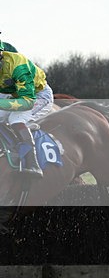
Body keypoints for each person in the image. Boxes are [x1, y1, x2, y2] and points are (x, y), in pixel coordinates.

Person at [0, 39, 54, 177]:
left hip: (36, 95)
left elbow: (27, 102)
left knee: (15, 120)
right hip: (12, 93)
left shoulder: (19, 66)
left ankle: (33, 163)